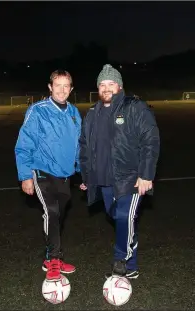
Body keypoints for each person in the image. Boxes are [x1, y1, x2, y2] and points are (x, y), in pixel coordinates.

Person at [79, 64, 160, 280]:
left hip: (131, 178)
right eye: (102, 84)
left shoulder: (135, 107)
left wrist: (146, 174)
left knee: (126, 215)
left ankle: (121, 261)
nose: (106, 88)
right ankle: (131, 263)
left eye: (111, 83)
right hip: (104, 180)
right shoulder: (93, 113)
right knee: (117, 216)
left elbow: (150, 141)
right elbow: (85, 146)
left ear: (120, 86)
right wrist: (86, 176)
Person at [15, 70, 81, 281]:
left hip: (65, 175)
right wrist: (26, 175)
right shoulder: (37, 111)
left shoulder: (74, 112)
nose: (62, 90)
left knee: (57, 215)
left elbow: (80, 146)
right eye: (57, 85)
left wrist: (84, 173)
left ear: (71, 89)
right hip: (42, 172)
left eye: (66, 86)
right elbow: (24, 144)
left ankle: (52, 256)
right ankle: (53, 259)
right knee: (52, 212)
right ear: (50, 87)